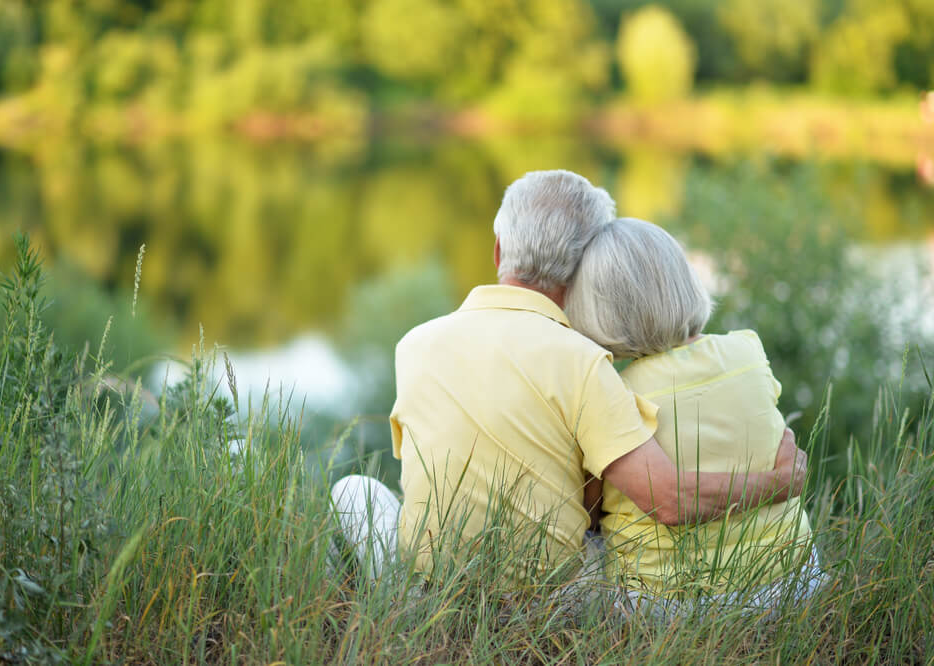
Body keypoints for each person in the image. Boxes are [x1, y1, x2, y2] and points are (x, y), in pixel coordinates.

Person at [331, 170, 807, 587]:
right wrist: (778, 481)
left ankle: (380, 604)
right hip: (551, 598)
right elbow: (662, 500)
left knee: (354, 492)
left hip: (433, 585)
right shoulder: (585, 360)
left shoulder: (413, 344)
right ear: (588, 269)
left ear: (498, 248)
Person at [565, 217, 823, 612]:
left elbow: (588, 514)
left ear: (600, 308)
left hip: (673, 604)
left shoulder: (617, 393)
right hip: (795, 580)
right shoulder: (748, 351)